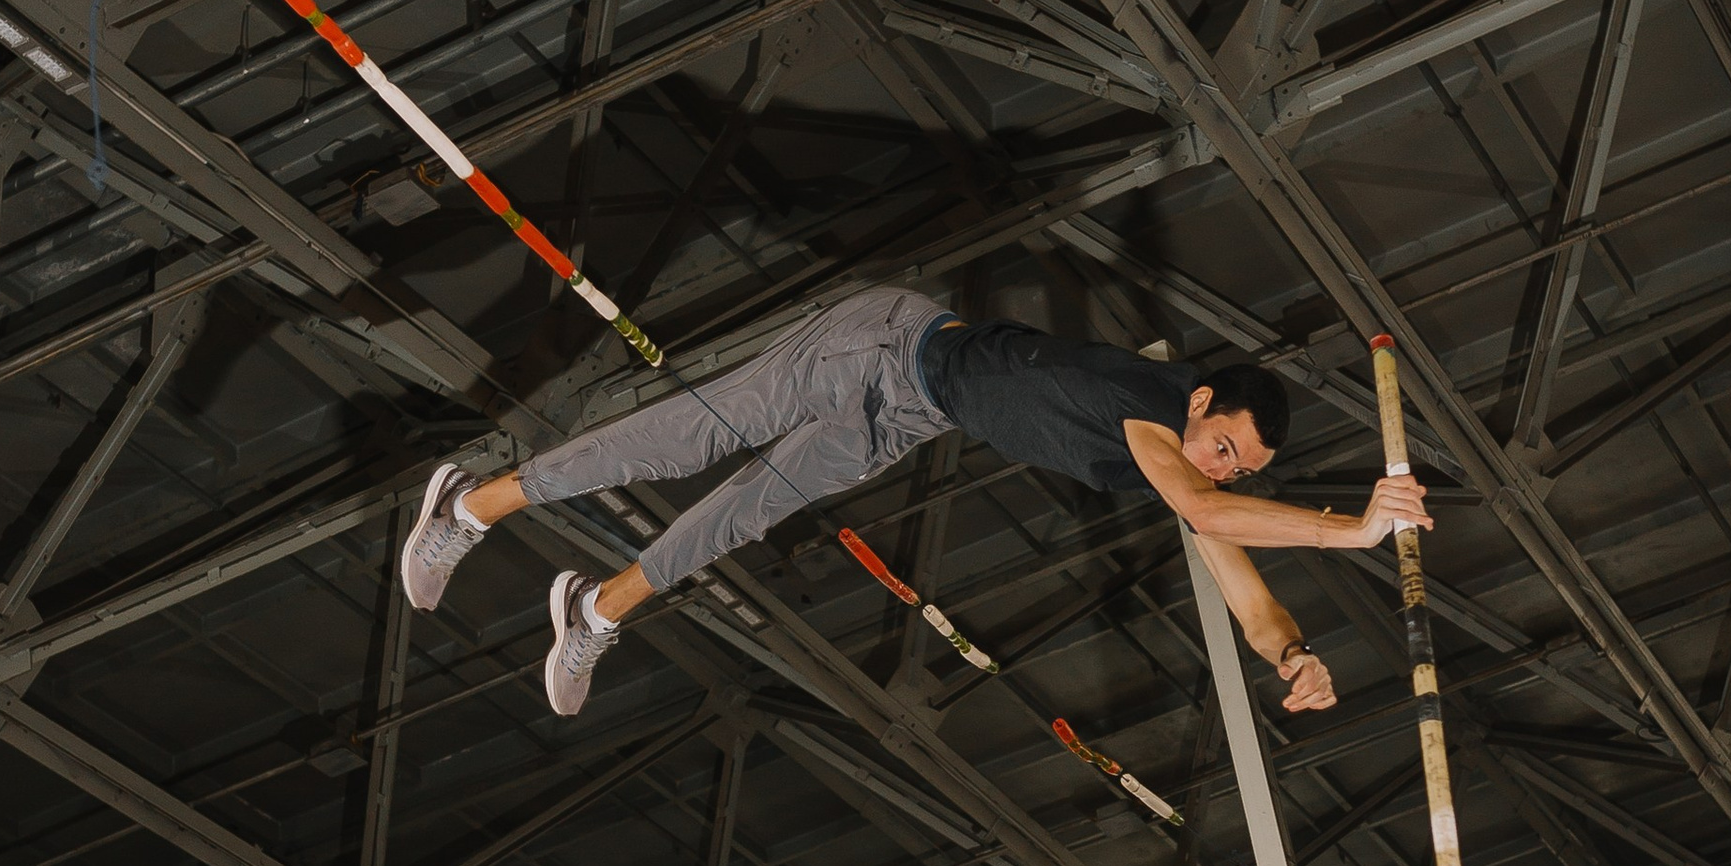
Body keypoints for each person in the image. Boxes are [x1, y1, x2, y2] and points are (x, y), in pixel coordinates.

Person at [400, 284, 1429, 716]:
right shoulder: (1150, 413)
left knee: (749, 510)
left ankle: (595, 610)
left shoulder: (1184, 473)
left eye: (1233, 468)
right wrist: (1357, 530)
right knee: (695, 436)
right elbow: (1212, 519)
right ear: (1201, 401)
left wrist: (1290, 654)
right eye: (1221, 446)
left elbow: (1242, 584)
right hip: (883, 343)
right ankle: (470, 507)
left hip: (906, 414)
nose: (1217, 469)